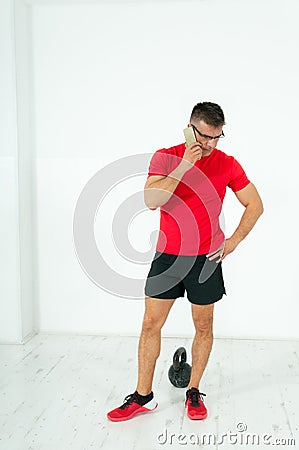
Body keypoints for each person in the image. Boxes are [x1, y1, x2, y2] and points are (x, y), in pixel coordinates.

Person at [107, 102, 263, 422]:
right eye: (204, 137)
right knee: (151, 323)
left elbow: (255, 205)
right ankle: (143, 396)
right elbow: (152, 201)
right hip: (168, 257)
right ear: (190, 129)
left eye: (216, 138)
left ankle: (192, 391)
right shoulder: (166, 157)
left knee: (203, 325)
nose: (209, 145)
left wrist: (232, 241)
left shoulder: (227, 163)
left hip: (206, 259)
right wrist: (184, 167)